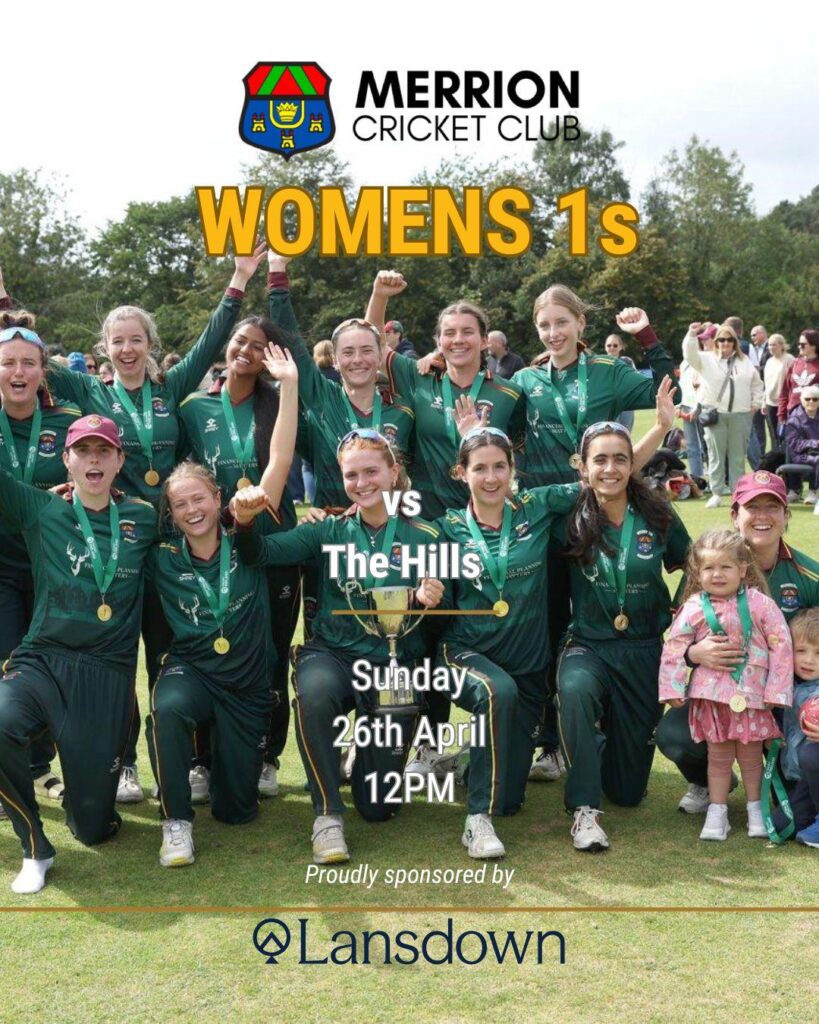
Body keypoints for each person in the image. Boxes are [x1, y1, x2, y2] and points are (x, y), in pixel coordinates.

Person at [42, 248, 268, 802]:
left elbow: (210, 343)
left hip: (175, 543)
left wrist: (238, 280)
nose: (127, 349)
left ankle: (198, 761)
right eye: (117, 341)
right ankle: (124, 764)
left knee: (184, 646)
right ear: (105, 348)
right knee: (121, 652)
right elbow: (30, 362)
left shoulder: (169, 387)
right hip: (119, 545)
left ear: (149, 344)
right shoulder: (90, 391)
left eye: (136, 339)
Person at [431, 387, 673, 857]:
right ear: (461, 473)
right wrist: (424, 582)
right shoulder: (447, 526)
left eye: (499, 466)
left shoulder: (537, 506)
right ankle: (475, 821)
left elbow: (606, 476)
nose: (491, 477)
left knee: (510, 799)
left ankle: (472, 767)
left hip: (525, 668)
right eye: (479, 468)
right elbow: (409, 546)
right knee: (495, 694)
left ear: (513, 470)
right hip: (466, 652)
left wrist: (660, 429)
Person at [232, 429, 444, 864]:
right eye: (351, 475)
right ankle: (327, 814)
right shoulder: (326, 529)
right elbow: (259, 554)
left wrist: (431, 596)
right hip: (333, 653)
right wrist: (245, 522)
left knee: (378, 808)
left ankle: (361, 754)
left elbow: (446, 612)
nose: (362, 483)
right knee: (315, 692)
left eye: (371, 472)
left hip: (394, 665)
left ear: (393, 473)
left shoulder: (427, 534)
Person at [146, 343, 298, 867]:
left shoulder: (248, 543)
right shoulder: (162, 557)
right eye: (180, 504)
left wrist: (252, 511)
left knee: (237, 811)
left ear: (218, 499)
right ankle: (176, 822)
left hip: (246, 684)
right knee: (168, 709)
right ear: (171, 514)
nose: (192, 510)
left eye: (199, 499)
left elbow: (278, 466)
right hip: (192, 671)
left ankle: (232, 775)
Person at [0, 415, 157, 893]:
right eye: (83, 450)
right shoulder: (41, 508)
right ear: (65, 459)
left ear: (119, 460)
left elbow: (203, 526)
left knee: (92, 828)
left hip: (105, 675)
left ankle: (85, 799)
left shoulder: (144, 517)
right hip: (42, 660)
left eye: (103, 450)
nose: (94, 459)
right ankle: (35, 846)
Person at [178, 289, 303, 802]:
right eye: (239, 340)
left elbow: (294, 463)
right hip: (214, 547)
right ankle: (203, 760)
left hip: (272, 544)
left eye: (258, 345)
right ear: (225, 345)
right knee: (213, 648)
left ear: (270, 356)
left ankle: (267, 755)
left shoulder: (281, 405)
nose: (245, 351)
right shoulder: (193, 408)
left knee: (271, 652)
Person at [555, 421, 690, 851]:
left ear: (633, 464)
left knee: (628, 793)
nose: (610, 468)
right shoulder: (567, 516)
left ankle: (600, 745)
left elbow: (695, 568)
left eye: (619, 459)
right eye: (600, 460)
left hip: (644, 648)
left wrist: (681, 617)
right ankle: (583, 808)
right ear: (583, 466)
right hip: (588, 644)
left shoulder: (658, 513)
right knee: (574, 691)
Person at [655, 470, 819, 813]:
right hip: (718, 693)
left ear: (786, 515)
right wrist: (694, 654)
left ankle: (784, 777)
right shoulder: (707, 566)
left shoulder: (809, 576)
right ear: (734, 515)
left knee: (789, 802)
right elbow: (678, 637)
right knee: (675, 736)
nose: (762, 516)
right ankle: (707, 781)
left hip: (784, 700)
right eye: (752, 507)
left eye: (772, 507)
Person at [659, 529, 792, 841]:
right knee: (718, 758)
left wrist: (776, 690)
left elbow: (781, 645)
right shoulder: (693, 607)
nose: (717, 574)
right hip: (712, 700)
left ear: (742, 569)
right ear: (697, 572)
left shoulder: (761, 604)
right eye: (709, 568)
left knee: (750, 758)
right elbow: (674, 647)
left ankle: (756, 812)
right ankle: (717, 813)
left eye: (725, 567)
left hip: (753, 698)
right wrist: (672, 688)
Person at [0, 312, 82, 806]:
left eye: (28, 363)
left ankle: (36, 767)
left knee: (46, 667)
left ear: (42, 370)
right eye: (8, 362)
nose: (18, 371)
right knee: (8, 664)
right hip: (1, 566)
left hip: (50, 566)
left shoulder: (67, 420)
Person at [368, 270, 523, 520]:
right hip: (426, 516)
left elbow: (521, 454)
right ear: (439, 342)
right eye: (449, 333)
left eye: (467, 332)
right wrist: (379, 296)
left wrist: (480, 439)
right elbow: (375, 345)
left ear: (485, 341)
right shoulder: (419, 377)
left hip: (485, 519)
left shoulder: (510, 393)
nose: (458, 340)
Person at [682, 322, 764, 509]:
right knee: (716, 455)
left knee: (737, 457)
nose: (725, 343)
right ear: (716, 341)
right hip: (715, 414)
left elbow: (757, 385)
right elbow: (689, 355)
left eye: (729, 339)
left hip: (740, 415)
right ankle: (717, 492)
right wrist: (691, 335)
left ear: (735, 342)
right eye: (721, 339)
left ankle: (738, 493)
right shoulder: (706, 359)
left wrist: (755, 405)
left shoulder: (744, 361)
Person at [778, 608, 819, 848]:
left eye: (818, 653)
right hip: (803, 780)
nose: (808, 660)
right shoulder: (785, 684)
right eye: (801, 650)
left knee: (812, 754)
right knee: (781, 825)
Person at [676, 324, 715, 487]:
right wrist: (679, 405)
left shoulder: (703, 359)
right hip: (686, 406)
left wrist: (696, 408)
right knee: (691, 447)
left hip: (700, 407)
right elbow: (683, 385)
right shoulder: (684, 363)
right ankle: (697, 479)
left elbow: (703, 386)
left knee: (707, 446)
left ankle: (714, 480)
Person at [783, 384, 819, 508]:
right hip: (800, 454)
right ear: (802, 400)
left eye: (815, 399)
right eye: (807, 399)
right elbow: (794, 443)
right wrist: (814, 443)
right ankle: (812, 491)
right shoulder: (794, 419)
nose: (811, 402)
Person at [778, 329, 819, 424]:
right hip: (794, 415)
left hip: (815, 417)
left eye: (803, 344)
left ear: (814, 345)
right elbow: (785, 391)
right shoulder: (795, 363)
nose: (799, 346)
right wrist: (781, 413)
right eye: (799, 344)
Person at [762, 334, 794, 452]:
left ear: (781, 345)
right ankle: (777, 458)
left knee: (784, 433)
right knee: (774, 435)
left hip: (785, 403)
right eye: (769, 345)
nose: (771, 347)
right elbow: (766, 383)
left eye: (774, 345)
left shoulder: (789, 359)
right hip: (770, 403)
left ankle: (786, 458)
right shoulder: (769, 362)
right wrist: (764, 401)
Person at [603, 334, 637, 431]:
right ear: (605, 347)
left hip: (627, 404)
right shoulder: (600, 362)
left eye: (615, 345)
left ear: (620, 347)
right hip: (609, 404)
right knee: (612, 433)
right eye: (609, 345)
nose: (612, 348)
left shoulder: (627, 361)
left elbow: (634, 380)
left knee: (626, 433)